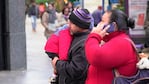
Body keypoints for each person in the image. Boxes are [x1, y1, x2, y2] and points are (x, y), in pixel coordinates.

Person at [85, 9, 138, 84]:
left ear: (114, 26)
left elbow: (95, 57)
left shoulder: (121, 43)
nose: (99, 24)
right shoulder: (113, 40)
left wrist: (94, 36)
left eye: (102, 21)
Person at [44, 8, 93, 84]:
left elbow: (75, 70)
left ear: (80, 25)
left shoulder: (83, 44)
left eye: (72, 23)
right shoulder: (74, 35)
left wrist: (57, 63)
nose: (68, 25)